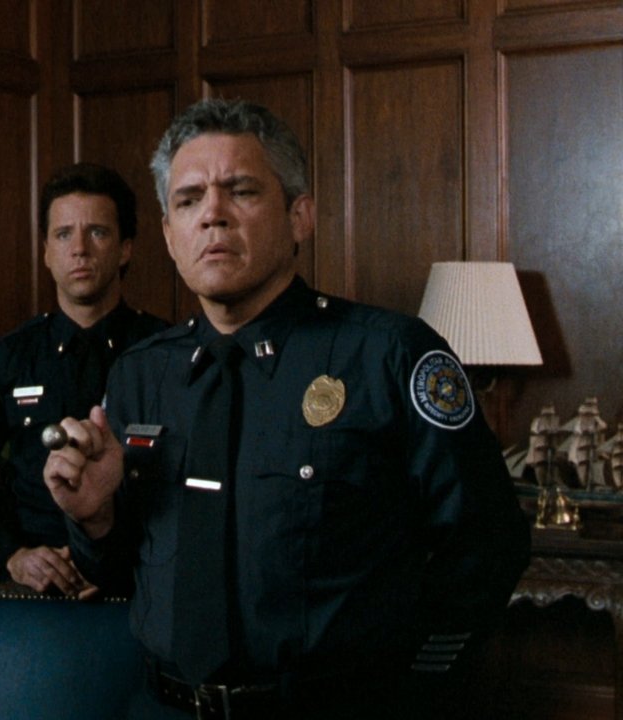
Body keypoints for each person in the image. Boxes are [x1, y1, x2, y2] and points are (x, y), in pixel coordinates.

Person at [43, 99, 530, 719]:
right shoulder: (142, 374)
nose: (212, 214)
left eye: (240, 191)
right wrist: (94, 519)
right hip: (163, 707)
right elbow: (122, 576)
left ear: (300, 216)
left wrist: (409, 689)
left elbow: (488, 547)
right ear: (168, 235)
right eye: (188, 201)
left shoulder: (387, 356)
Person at [0, 163, 167, 597]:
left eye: (98, 233)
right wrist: (13, 555)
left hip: (141, 585)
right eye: (64, 234)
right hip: (33, 588)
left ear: (125, 248)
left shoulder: (167, 355)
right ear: (46, 252)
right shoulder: (10, 358)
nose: (80, 250)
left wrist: (111, 561)